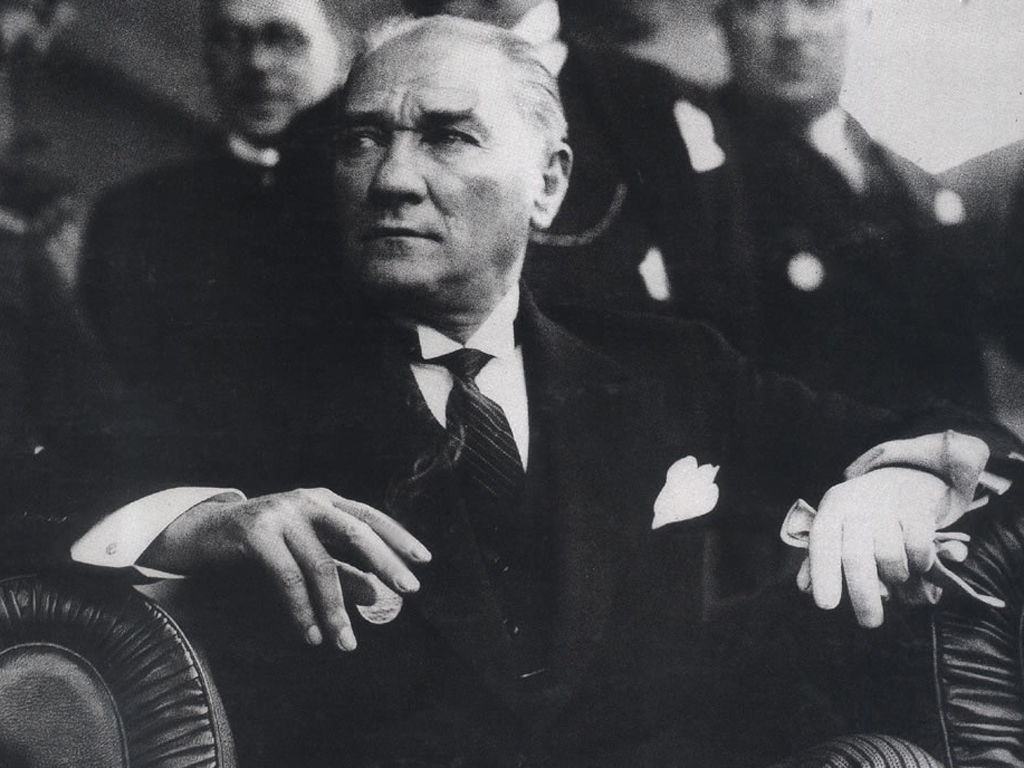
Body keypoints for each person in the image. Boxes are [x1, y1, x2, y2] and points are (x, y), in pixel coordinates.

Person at [21, 16, 1015, 767]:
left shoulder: (666, 367)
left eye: (447, 136)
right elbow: (38, 500)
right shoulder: (247, 382)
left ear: (548, 183)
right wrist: (202, 523)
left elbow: (965, 436)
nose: (391, 178)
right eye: (362, 140)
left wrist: (898, 480)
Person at [77, 0, 350, 411]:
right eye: (230, 39)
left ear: (339, 51)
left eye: (283, 37)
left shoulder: (379, 204)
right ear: (206, 58)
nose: (257, 63)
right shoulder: (132, 215)